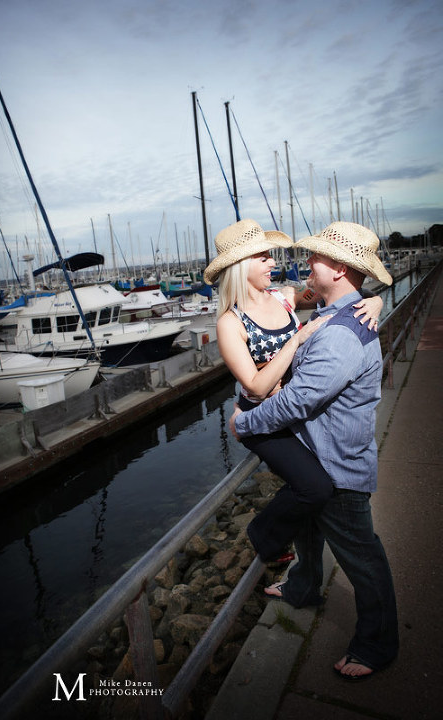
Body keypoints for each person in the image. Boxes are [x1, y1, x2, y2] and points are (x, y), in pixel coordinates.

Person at [229, 221, 398, 680]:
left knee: (363, 559)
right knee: (309, 532)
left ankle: (377, 645)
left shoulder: (342, 332)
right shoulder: (340, 313)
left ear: (339, 268)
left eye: (316, 258)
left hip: (337, 468)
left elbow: (299, 398)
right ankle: (303, 586)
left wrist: (246, 424)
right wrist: (372, 298)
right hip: (318, 456)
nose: (307, 264)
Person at [204, 218, 383, 564]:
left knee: (312, 491)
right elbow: (255, 387)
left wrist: (372, 302)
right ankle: (265, 538)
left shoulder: (284, 296)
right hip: (258, 413)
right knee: (316, 488)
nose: (274, 262)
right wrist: (296, 340)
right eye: (264, 257)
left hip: (289, 406)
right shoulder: (230, 322)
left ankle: (302, 577)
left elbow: (342, 291)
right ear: (241, 267)